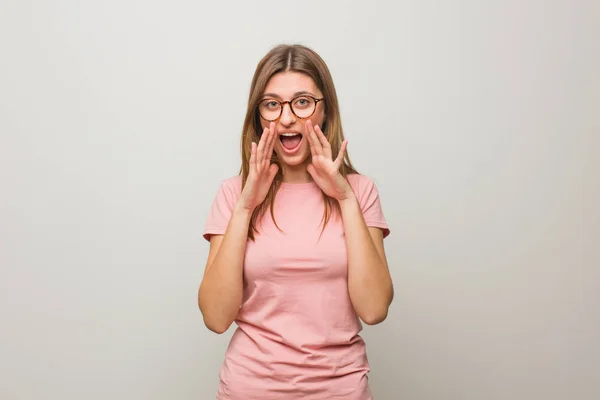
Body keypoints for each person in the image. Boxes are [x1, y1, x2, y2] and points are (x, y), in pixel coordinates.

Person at [198, 43, 393, 400]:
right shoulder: (232, 195)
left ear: (324, 111)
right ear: (258, 115)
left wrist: (344, 199)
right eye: (272, 104)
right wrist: (245, 207)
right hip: (250, 388)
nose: (286, 118)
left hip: (341, 390)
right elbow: (215, 317)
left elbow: (375, 308)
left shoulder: (359, 191)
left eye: (302, 102)